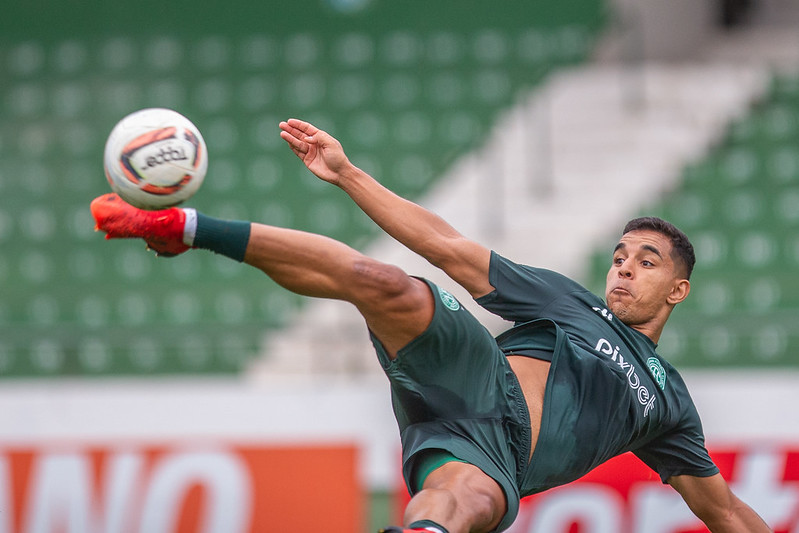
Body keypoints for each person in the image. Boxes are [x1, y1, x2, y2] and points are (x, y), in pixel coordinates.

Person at [90, 119, 771, 533]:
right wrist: (347, 173)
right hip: (475, 370)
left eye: (644, 262)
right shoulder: (569, 300)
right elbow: (445, 246)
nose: (621, 270)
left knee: (463, 498)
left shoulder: (668, 402)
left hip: (492, 452)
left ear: (677, 288)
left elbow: (726, 513)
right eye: (618, 256)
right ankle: (181, 227)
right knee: (384, 282)